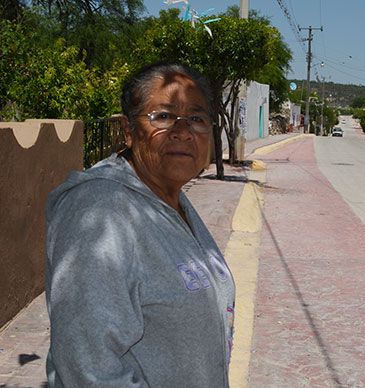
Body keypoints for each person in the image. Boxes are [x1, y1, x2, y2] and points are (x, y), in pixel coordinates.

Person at [45, 63, 235, 387]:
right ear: (128, 131)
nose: (183, 131)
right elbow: (89, 369)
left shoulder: (171, 197)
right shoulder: (99, 210)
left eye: (197, 118)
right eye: (163, 116)